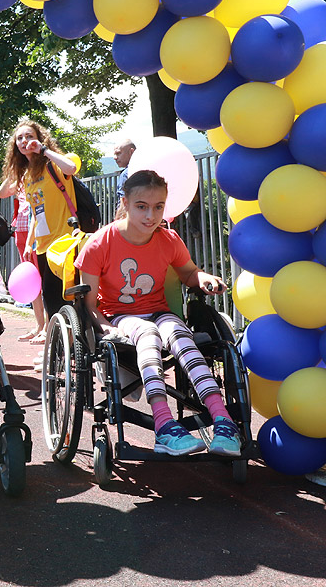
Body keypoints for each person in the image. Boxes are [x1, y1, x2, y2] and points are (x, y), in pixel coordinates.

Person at [75, 169, 242, 457]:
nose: (150, 215)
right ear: (125, 203)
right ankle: (164, 425)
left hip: (159, 312)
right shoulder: (99, 244)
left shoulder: (168, 239)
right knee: (148, 335)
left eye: (158, 207)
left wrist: (203, 279)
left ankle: (224, 421)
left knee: (181, 336)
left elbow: (189, 273)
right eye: (142, 206)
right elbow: (88, 305)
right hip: (119, 317)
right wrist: (103, 327)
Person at [0, 118, 79, 320]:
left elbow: (71, 168)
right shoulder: (27, 176)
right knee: (51, 300)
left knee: (67, 299)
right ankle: (58, 347)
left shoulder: (53, 164)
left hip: (65, 241)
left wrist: (43, 150)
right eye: (20, 138)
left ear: (40, 139)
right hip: (43, 245)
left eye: (30, 136)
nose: (25, 140)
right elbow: (35, 211)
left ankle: (73, 345)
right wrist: (29, 243)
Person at [10, 185, 46, 343]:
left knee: (44, 280)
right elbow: (2, 192)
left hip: (39, 233)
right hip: (21, 230)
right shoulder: (20, 178)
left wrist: (30, 242)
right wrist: (14, 176)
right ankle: (39, 325)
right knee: (32, 281)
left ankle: (46, 328)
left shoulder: (38, 176)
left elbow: (36, 212)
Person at [113, 137, 136, 203]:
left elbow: (123, 204)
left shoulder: (126, 174)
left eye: (118, 153)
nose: (115, 158)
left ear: (131, 152)